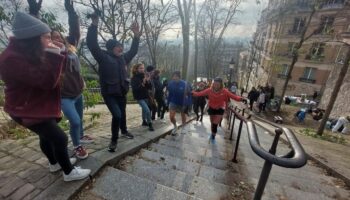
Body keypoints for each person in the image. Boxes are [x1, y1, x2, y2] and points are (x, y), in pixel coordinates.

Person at [0, 12, 90, 181]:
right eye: (47, 37)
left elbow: (52, 77)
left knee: (46, 137)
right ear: (33, 38)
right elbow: (47, 81)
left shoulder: (25, 51)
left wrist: (59, 52)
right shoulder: (10, 59)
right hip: (26, 108)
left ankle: (55, 163)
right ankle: (69, 172)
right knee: (60, 138)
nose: (50, 41)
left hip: (36, 104)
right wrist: (53, 54)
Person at [86, 13, 141, 152]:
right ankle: (113, 140)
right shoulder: (103, 57)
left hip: (121, 92)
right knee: (117, 115)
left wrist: (136, 36)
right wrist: (94, 25)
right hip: (109, 93)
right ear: (111, 48)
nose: (121, 48)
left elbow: (133, 50)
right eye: (118, 46)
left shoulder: (123, 58)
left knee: (122, 113)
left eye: (121, 46)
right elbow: (92, 44)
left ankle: (124, 131)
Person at [51, 1, 92, 160]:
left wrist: (71, 9)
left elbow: (75, 31)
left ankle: (80, 137)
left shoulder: (70, 51)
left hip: (78, 92)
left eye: (60, 37)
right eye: (54, 37)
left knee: (79, 120)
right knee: (74, 121)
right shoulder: (50, 55)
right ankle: (77, 147)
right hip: (64, 96)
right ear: (49, 40)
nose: (58, 39)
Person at [192, 78, 244, 144]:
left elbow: (233, 96)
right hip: (211, 108)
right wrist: (192, 93)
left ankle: (213, 136)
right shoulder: (209, 90)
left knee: (215, 124)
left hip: (220, 108)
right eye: (214, 84)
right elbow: (200, 93)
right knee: (212, 123)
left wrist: (241, 99)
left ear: (221, 85)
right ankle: (212, 133)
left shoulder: (224, 91)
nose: (216, 86)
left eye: (218, 84)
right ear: (213, 84)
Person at [131, 63, 154, 131]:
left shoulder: (144, 76)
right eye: (140, 68)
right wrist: (143, 82)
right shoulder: (134, 78)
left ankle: (144, 121)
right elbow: (135, 89)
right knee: (147, 110)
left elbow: (149, 87)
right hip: (139, 97)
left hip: (145, 95)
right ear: (136, 69)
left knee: (144, 110)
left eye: (143, 68)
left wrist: (148, 81)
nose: (142, 69)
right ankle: (150, 124)